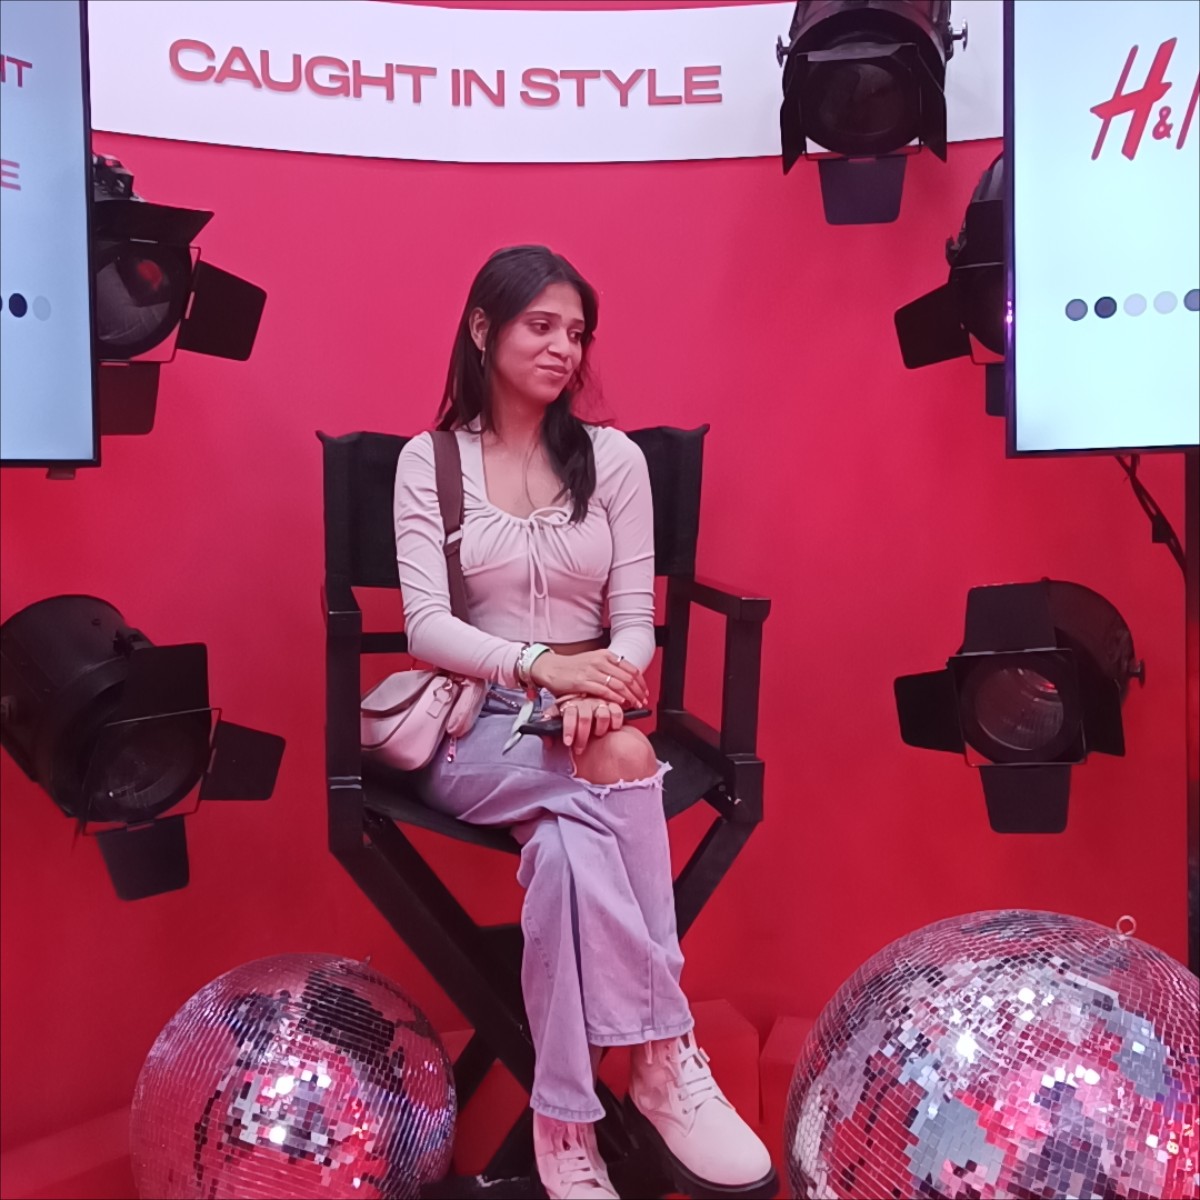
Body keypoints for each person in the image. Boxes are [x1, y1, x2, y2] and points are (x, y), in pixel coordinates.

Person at [393, 245, 773, 1200]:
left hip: (590, 704)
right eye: (541, 325)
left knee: (567, 853)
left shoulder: (615, 460)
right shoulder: (428, 462)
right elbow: (426, 625)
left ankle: (564, 1124)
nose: (564, 348)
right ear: (483, 328)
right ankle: (664, 1055)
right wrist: (542, 666)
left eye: (577, 332)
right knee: (626, 758)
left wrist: (601, 682)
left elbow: (636, 621)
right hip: (477, 722)